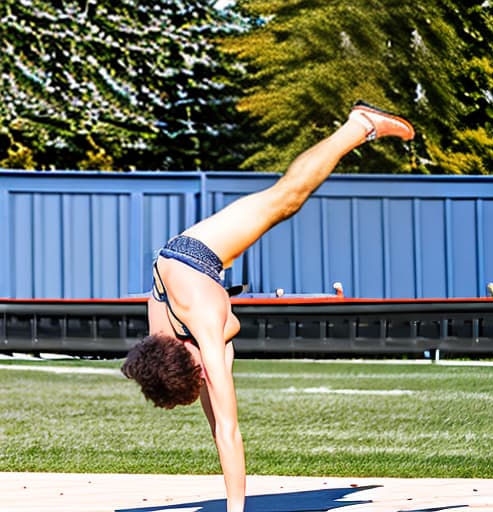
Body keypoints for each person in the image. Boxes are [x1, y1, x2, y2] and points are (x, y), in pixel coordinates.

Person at [121, 100, 415, 512]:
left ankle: (358, 125)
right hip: (179, 267)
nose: (204, 375)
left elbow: (230, 429)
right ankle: (357, 126)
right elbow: (217, 425)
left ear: (184, 356)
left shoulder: (203, 326)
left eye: (198, 372)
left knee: (287, 198)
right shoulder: (166, 343)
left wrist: (235, 510)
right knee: (282, 206)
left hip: (199, 252)